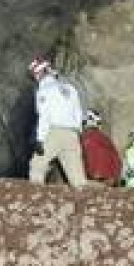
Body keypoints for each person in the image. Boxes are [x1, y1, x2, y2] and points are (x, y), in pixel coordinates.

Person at [28, 56, 87, 188]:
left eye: (34, 74)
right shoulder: (70, 89)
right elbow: (78, 113)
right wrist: (79, 132)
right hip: (72, 134)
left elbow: (45, 116)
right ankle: (86, 203)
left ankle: (36, 198)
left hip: (54, 133)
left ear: (38, 73)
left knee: (37, 165)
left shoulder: (44, 91)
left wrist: (40, 139)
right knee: (76, 175)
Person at [79, 109, 121, 186]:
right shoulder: (105, 139)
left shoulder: (83, 139)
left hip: (94, 179)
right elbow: (117, 160)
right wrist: (115, 178)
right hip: (111, 179)